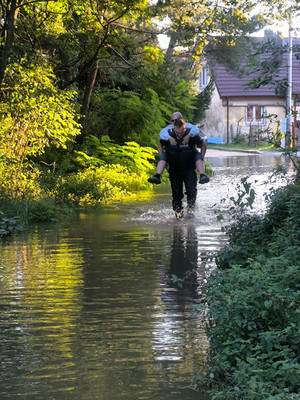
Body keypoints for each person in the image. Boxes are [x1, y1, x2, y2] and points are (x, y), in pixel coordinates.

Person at [156, 118, 205, 218]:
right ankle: (178, 214)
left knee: (191, 191)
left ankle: (191, 211)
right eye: (176, 132)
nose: (179, 135)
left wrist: (201, 157)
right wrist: (162, 158)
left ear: (185, 129)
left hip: (189, 169)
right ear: (174, 129)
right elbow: (160, 144)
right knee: (176, 193)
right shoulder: (169, 135)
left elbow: (203, 144)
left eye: (181, 132)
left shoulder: (191, 135)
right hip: (174, 169)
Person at [148, 111, 209, 185]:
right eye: (172, 121)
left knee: (198, 156)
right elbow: (161, 136)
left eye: (176, 120)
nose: (174, 122)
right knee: (164, 157)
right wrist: (169, 138)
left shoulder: (189, 128)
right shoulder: (169, 129)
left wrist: (189, 135)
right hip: (174, 160)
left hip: (189, 158)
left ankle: (202, 175)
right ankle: (157, 175)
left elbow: (197, 133)